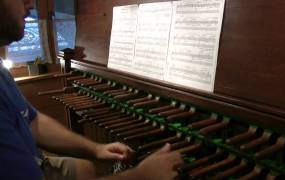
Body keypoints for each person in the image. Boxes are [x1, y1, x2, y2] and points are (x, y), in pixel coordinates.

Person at [0, 0, 183, 180]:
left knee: (84, 167)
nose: (31, 5)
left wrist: (96, 149)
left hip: (36, 160)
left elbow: (33, 122)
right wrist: (141, 175)